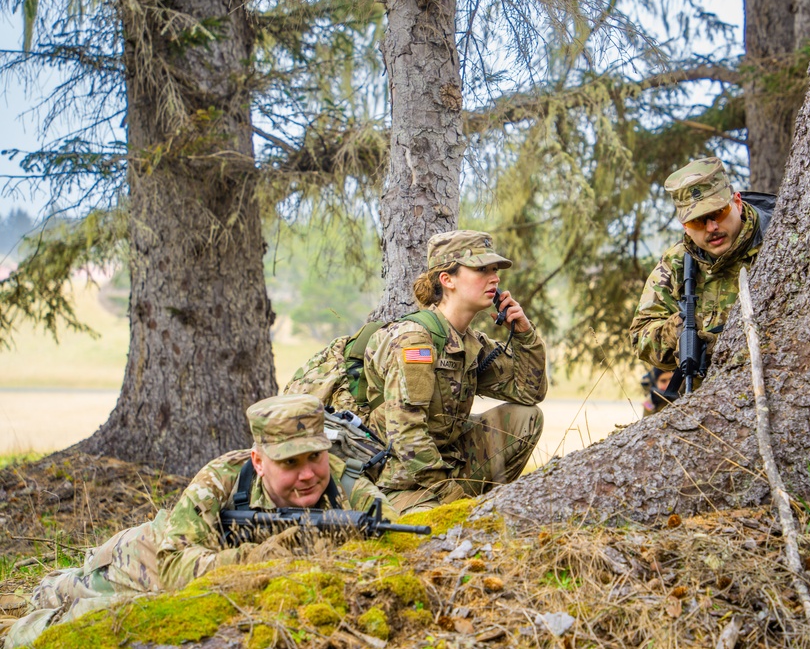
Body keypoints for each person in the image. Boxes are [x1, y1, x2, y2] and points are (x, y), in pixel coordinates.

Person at [3, 394, 397, 648]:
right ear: (259, 462)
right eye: (290, 463)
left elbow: (397, 532)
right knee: (57, 597)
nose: (308, 474)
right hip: (143, 559)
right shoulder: (223, 478)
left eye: (315, 456)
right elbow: (173, 565)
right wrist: (257, 559)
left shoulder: (348, 483)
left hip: (196, 572)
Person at [364, 230, 548, 514]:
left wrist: (525, 335)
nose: (495, 278)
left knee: (527, 418)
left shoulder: (470, 342)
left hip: (450, 467)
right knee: (434, 532)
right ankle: (468, 510)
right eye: (481, 269)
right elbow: (406, 435)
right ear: (447, 280)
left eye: (495, 270)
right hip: (403, 483)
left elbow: (529, 393)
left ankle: (484, 507)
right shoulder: (415, 341)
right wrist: (454, 498)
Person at [630, 157, 774, 394]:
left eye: (718, 212)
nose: (711, 227)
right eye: (697, 221)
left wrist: (725, 349)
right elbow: (640, 336)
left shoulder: (778, 240)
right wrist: (673, 334)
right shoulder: (677, 262)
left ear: (737, 202)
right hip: (705, 401)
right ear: (684, 226)